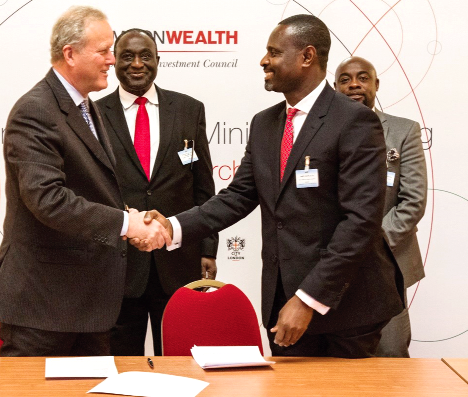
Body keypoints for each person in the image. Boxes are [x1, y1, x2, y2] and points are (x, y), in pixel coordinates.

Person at [138, 15, 404, 358]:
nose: (264, 61)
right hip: (283, 301)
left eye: (274, 52)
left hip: (346, 307)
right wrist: (170, 227)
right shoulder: (265, 124)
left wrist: (309, 299)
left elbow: (360, 223)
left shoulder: (354, 120)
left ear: (307, 56)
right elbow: (236, 197)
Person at [0, 6, 170, 357]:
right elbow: (48, 199)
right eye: (103, 51)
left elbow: (91, 188)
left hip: (86, 304)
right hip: (44, 306)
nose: (112, 60)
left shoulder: (87, 107)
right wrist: (126, 224)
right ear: (70, 53)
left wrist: (131, 221)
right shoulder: (36, 110)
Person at [96, 29, 219, 356]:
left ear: (158, 61)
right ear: (113, 62)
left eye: (145, 56)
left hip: (178, 260)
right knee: (122, 363)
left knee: (183, 358)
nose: (137, 64)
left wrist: (208, 248)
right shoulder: (92, 115)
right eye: (127, 56)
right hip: (118, 265)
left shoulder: (189, 109)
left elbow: (203, 185)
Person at [334, 56, 427, 357]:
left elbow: (413, 200)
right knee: (336, 364)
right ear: (334, 88)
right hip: (332, 267)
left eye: (362, 77)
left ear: (376, 84)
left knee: (391, 356)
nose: (354, 85)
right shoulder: (319, 135)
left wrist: (368, 242)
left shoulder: (403, 131)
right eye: (345, 80)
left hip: (387, 265)